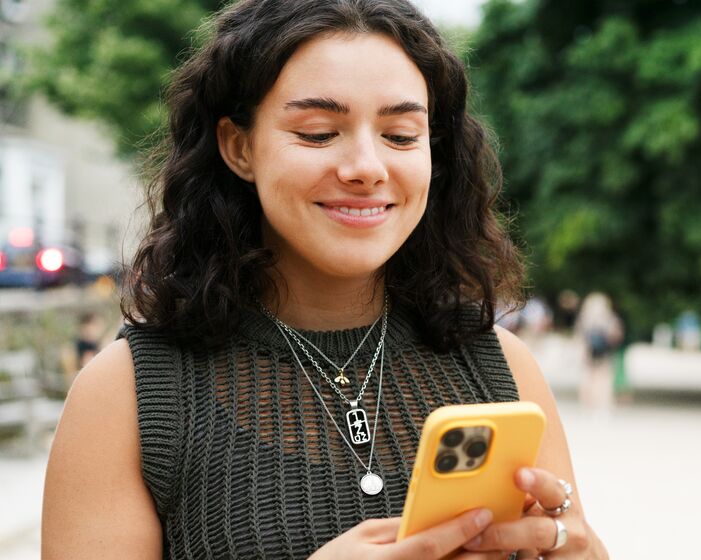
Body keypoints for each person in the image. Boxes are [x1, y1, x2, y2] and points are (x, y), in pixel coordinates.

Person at [41, 2, 607, 559]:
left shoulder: (502, 366)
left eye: (402, 135)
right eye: (317, 132)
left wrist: (573, 548)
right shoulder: (127, 396)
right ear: (239, 147)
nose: (366, 166)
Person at [573, 293, 623, 417]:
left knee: (589, 379)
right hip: (605, 353)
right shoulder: (610, 318)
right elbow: (616, 337)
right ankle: (602, 406)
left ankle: (588, 406)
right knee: (604, 380)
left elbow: (579, 337)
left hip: (589, 353)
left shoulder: (584, 318)